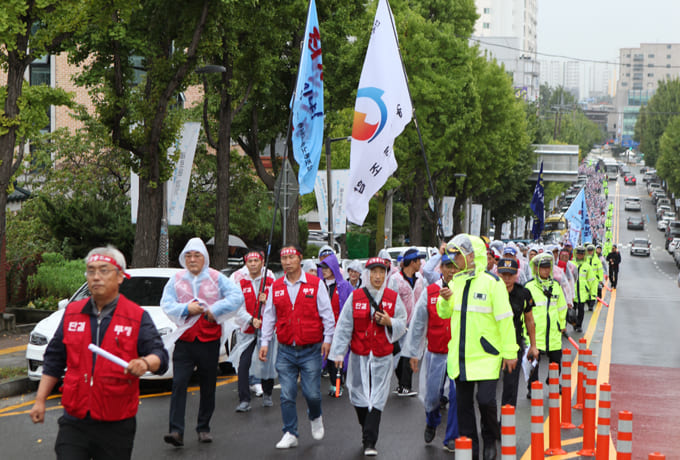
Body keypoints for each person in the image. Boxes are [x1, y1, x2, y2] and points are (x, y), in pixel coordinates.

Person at [29, 246, 169, 459]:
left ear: (120, 276)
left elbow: (160, 355)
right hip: (75, 419)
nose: (96, 277)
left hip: (116, 421)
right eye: (91, 271)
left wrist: (145, 362)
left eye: (104, 270)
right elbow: (55, 358)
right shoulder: (72, 313)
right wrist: (40, 399)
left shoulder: (136, 316)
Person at [437, 234, 518, 460]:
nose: (454, 261)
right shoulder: (454, 282)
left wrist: (510, 353)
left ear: (471, 256)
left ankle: (490, 438)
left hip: (487, 356)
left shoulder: (493, 284)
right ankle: (470, 450)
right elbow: (443, 313)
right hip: (461, 358)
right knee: (463, 408)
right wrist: (444, 299)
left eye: (458, 256)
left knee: (485, 401)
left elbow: (505, 320)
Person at [161, 237, 245, 447]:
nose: (192, 259)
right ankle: (175, 430)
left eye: (197, 255)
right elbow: (166, 303)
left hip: (209, 340)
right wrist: (185, 309)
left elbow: (236, 297)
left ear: (204, 258)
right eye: (188, 256)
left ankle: (203, 428)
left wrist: (213, 310)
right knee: (179, 383)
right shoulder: (177, 279)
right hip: (185, 340)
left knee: (208, 385)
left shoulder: (216, 277)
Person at [258, 245, 336, 449]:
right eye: (284, 258)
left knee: (312, 393)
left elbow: (327, 314)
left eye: (291, 257)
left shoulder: (315, 284)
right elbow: (269, 317)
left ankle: (315, 416)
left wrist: (328, 339)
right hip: (285, 349)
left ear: (300, 259)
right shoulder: (276, 286)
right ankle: (290, 432)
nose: (287, 262)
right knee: (287, 393)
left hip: (311, 348)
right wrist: (265, 342)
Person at [329, 257, 407, 456]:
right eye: (374, 272)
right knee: (358, 395)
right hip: (359, 355)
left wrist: (390, 322)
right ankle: (366, 425)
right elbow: (345, 325)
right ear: (367, 274)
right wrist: (338, 352)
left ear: (386, 274)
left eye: (382, 272)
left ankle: (369, 441)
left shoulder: (392, 297)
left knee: (378, 397)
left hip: (382, 356)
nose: (378, 276)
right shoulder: (356, 297)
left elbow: (402, 322)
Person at [402, 253, 460, 452]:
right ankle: (432, 420)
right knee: (433, 396)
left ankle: (451, 437)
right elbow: (418, 324)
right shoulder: (431, 292)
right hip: (436, 352)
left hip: (458, 355)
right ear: (440, 269)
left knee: (455, 396)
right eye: (447, 267)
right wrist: (413, 353)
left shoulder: (464, 291)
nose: (451, 271)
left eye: (455, 266)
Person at [230, 251, 276, 412]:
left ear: (262, 262)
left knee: (266, 361)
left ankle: (268, 393)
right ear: (246, 262)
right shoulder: (238, 279)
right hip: (246, 328)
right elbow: (236, 306)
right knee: (244, 362)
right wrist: (251, 320)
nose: (253, 264)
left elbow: (277, 301)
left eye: (257, 261)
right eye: (250, 261)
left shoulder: (270, 277)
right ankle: (244, 399)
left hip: (266, 327)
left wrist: (267, 299)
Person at [522, 253, 567, 396]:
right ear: (536, 268)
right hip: (535, 332)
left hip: (553, 331)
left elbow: (562, 307)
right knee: (533, 363)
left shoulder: (556, 285)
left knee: (556, 360)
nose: (546, 270)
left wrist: (562, 324)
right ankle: (532, 387)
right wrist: (525, 331)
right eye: (543, 268)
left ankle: (553, 381)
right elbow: (523, 311)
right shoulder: (529, 287)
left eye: (548, 267)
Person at [496, 258, 538, 407]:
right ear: (497, 274)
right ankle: (489, 427)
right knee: (485, 392)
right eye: (503, 274)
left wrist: (533, 346)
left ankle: (506, 425)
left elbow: (529, 320)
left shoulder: (523, 293)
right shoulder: (490, 291)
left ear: (516, 275)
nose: (507, 279)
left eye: (510, 275)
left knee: (510, 387)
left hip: (514, 345)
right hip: (491, 346)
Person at [388, 247, 426, 397]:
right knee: (398, 353)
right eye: (418, 260)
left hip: (414, 323)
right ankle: (403, 385)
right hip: (399, 323)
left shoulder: (420, 280)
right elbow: (390, 300)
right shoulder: (395, 279)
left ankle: (405, 386)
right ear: (412, 262)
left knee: (410, 353)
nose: (421, 263)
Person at [316, 251, 353, 397]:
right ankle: (333, 383)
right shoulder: (319, 285)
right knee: (325, 356)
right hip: (322, 328)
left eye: (327, 267)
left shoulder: (344, 286)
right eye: (322, 268)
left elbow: (350, 306)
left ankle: (337, 385)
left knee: (338, 357)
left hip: (340, 328)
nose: (324, 271)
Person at [572, 246, 597, 333]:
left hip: (582, 292)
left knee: (581, 310)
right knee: (572, 311)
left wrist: (593, 293)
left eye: (582, 254)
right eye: (578, 254)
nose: (580, 256)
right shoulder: (571, 264)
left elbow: (592, 281)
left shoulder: (587, 266)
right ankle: (574, 323)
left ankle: (579, 325)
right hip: (573, 292)